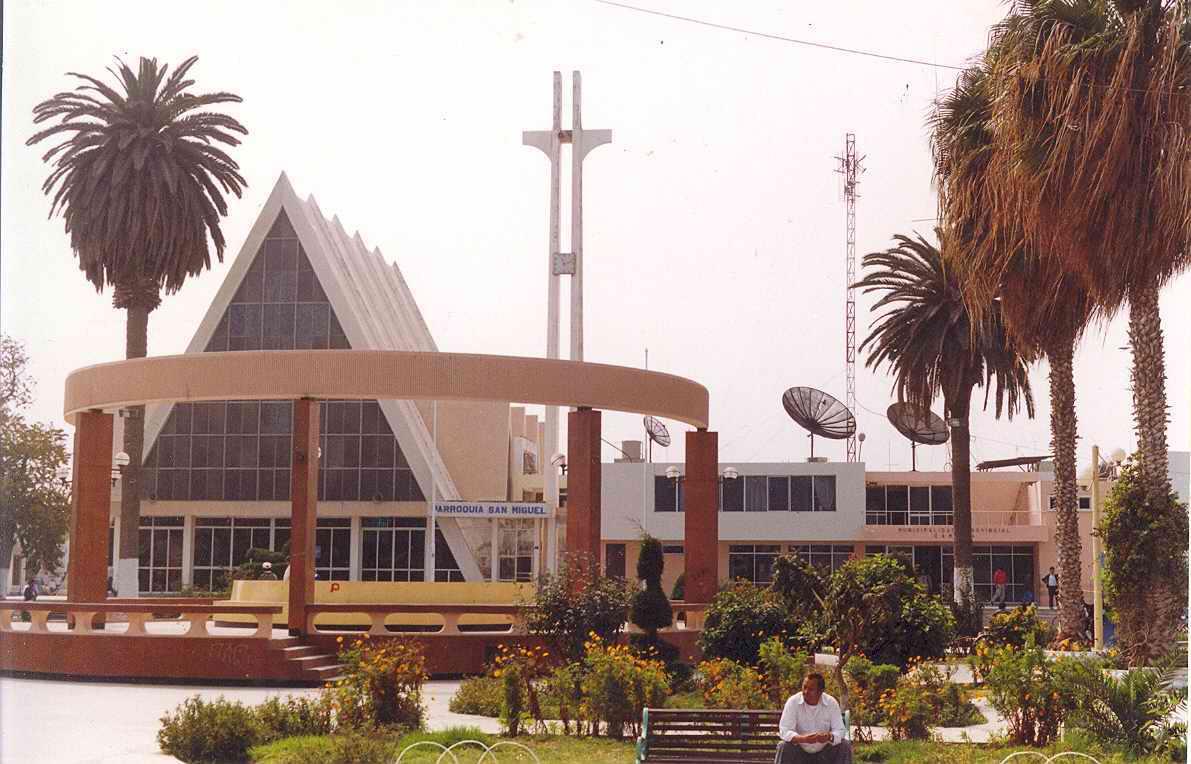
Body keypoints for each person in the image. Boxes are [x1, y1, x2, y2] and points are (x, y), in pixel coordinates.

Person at [775, 673, 852, 764]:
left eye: (811, 689)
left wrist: (829, 736)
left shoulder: (831, 703)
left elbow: (840, 730)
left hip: (824, 754)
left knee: (845, 745)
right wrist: (803, 739)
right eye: (804, 687)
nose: (806, 692)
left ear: (821, 691)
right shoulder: (793, 702)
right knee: (783, 746)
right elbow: (785, 730)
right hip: (799, 752)